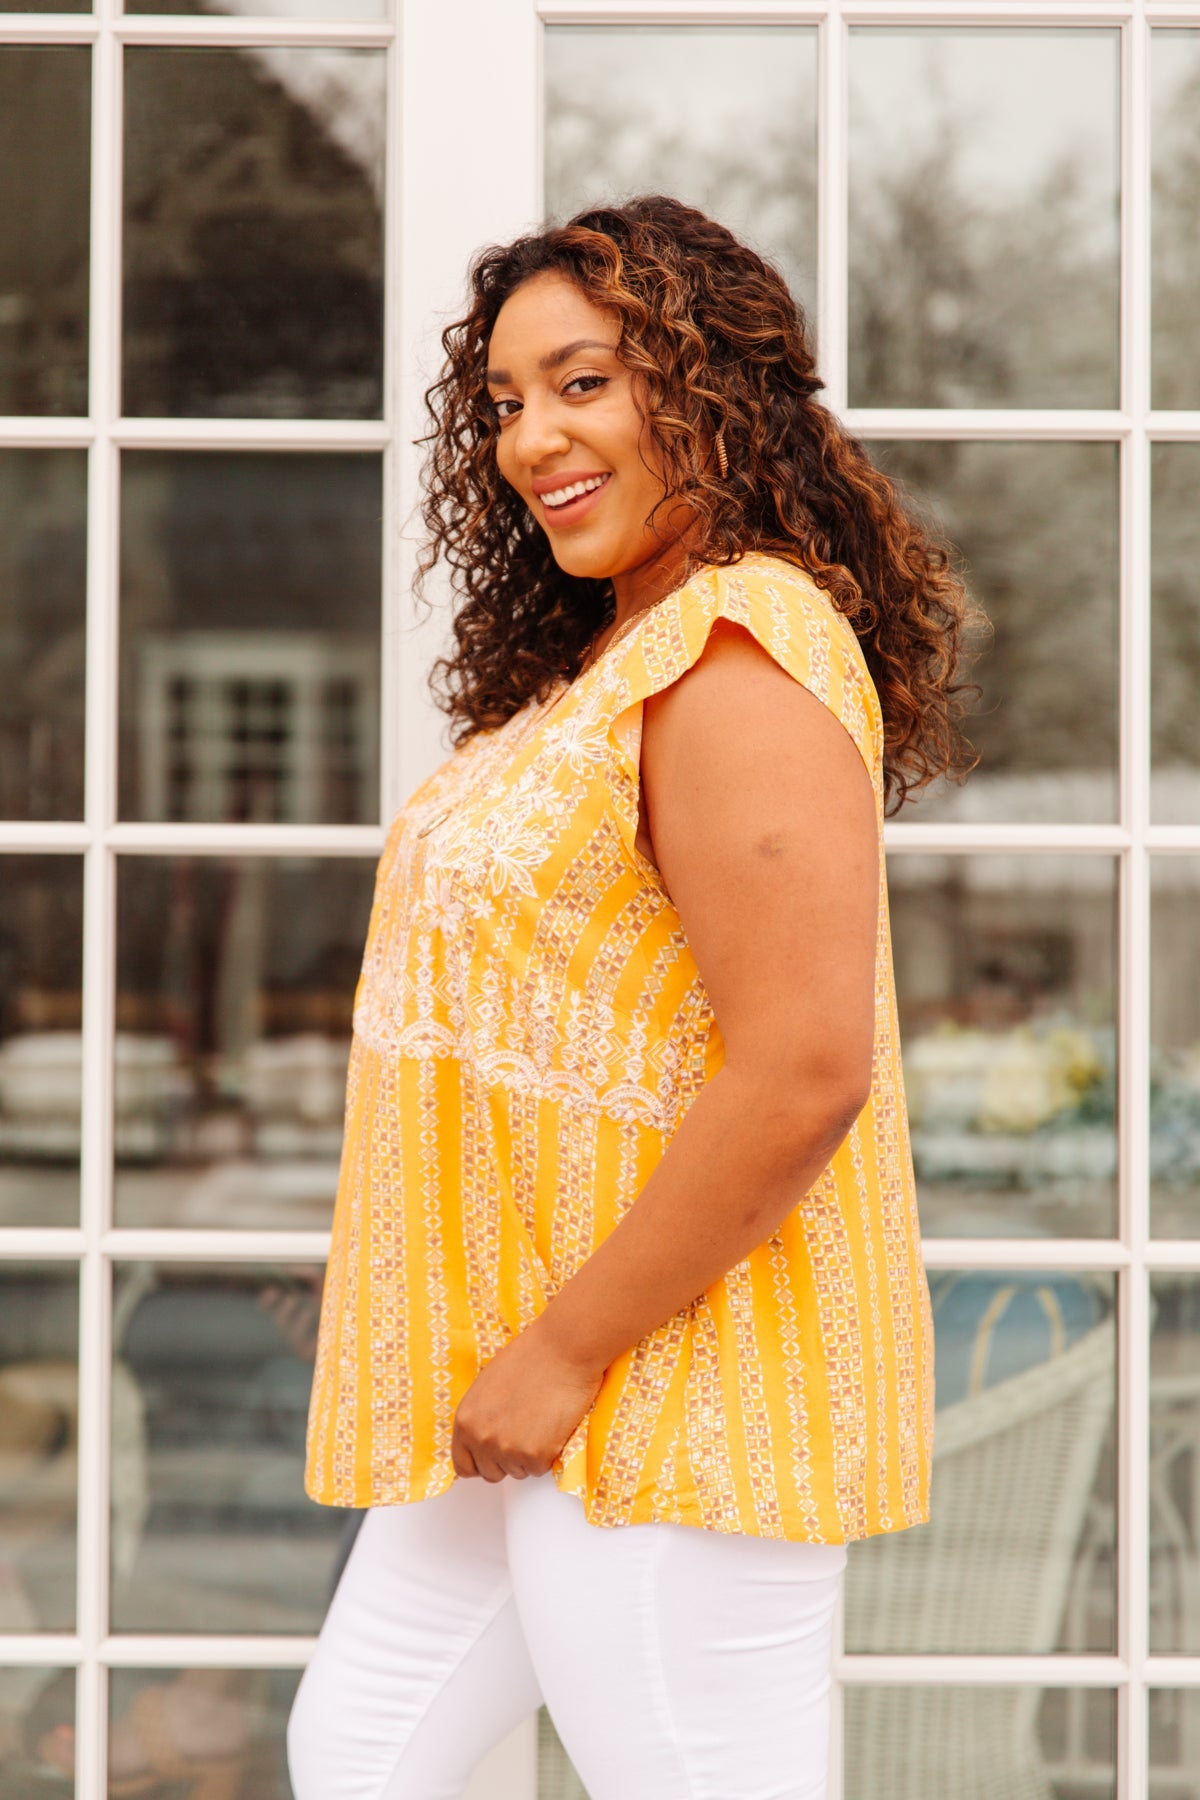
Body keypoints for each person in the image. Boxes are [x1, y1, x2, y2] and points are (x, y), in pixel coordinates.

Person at [287, 194, 978, 1800]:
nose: (531, 439)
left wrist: (564, 1351)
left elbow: (805, 1069)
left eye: (583, 382)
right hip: (527, 1364)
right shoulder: (613, 665)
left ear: (710, 388)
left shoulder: (737, 651)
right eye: (506, 401)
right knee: (361, 1756)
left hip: (669, 1379)